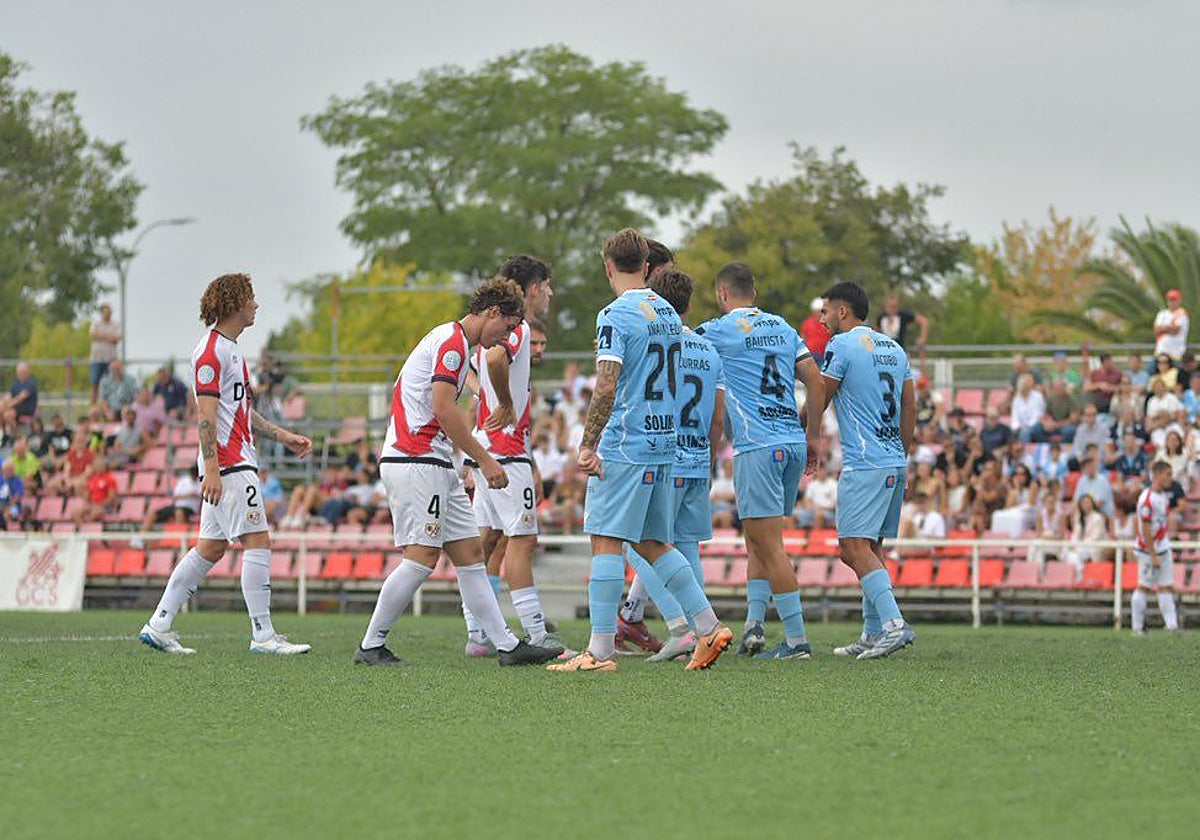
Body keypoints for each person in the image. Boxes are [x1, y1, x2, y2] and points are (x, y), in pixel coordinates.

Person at [548, 229, 734, 673]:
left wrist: (589, 443)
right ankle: (707, 628)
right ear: (647, 264)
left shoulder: (614, 314)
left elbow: (607, 383)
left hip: (627, 441)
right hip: (665, 441)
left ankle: (599, 651)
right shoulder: (668, 312)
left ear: (608, 266)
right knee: (654, 542)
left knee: (606, 540)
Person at [355, 276, 561, 667]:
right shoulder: (451, 344)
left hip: (432, 461)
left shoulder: (454, 343)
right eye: (509, 328)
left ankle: (506, 646)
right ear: (493, 313)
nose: (506, 338)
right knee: (421, 559)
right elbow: (444, 408)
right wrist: (484, 459)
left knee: (469, 555)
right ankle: (371, 644)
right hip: (415, 460)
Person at [138, 273, 314, 656]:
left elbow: (241, 413)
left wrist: (284, 436)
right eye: (251, 298)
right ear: (235, 304)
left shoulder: (232, 351)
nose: (257, 305)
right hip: (231, 464)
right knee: (258, 541)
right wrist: (214, 469)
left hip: (235, 461)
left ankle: (159, 624)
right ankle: (263, 635)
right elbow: (206, 414)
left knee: (210, 549)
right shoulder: (211, 351)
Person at [692, 260, 823, 661]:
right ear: (756, 292)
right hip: (791, 441)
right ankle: (753, 627)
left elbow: (680, 348)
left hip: (757, 444)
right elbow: (815, 381)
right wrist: (813, 435)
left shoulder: (718, 330)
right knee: (758, 539)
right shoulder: (783, 327)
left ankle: (797, 640)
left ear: (722, 294)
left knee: (769, 545)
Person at [617, 268, 726, 663]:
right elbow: (717, 417)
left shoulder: (655, 338)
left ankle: (681, 626)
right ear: (689, 305)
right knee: (686, 547)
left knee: (641, 543)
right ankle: (704, 630)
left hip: (662, 453)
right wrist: (710, 460)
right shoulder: (709, 350)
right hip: (699, 457)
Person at [459, 255, 565, 655]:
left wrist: (484, 397)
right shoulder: (517, 327)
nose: (550, 294)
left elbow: (475, 362)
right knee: (522, 541)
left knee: (487, 543)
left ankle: (477, 636)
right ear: (534, 287)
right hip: (505, 451)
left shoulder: (498, 330)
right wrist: (503, 401)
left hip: (486, 448)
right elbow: (493, 359)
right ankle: (537, 636)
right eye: (548, 285)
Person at [818, 280, 916, 659]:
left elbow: (822, 394)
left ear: (843, 311)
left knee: (852, 547)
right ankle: (873, 632)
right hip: (893, 458)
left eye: (826, 310)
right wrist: (901, 452)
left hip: (864, 460)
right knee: (871, 547)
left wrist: (803, 428)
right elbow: (910, 406)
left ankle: (894, 624)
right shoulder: (894, 347)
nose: (823, 317)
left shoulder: (841, 345)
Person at [1132, 461, 1180, 635]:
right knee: (1143, 586)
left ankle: (1172, 626)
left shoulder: (1163, 497)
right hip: (1148, 550)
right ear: (1157, 475)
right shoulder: (1147, 499)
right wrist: (1152, 554)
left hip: (1163, 547)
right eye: (1167, 474)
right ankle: (1137, 628)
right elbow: (1145, 528)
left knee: (1166, 586)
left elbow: (1162, 524)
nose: (1170, 478)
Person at [135, 466, 202, 543]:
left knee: (179, 512)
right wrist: (189, 495)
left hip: (190, 508)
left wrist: (189, 496)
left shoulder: (200, 482)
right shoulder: (183, 481)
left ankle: (178, 540)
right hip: (176, 505)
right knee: (152, 514)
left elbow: (200, 496)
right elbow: (175, 496)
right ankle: (140, 538)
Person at [89, 303, 122, 405]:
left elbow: (118, 338)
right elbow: (93, 334)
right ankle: (93, 406)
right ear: (101, 313)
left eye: (110, 312)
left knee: (111, 384)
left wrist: (102, 336)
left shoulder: (116, 324)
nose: (108, 314)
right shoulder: (96, 324)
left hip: (111, 360)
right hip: (97, 359)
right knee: (95, 383)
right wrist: (109, 336)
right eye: (106, 312)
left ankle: (110, 406)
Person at [74, 456, 119, 524]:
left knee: (95, 513)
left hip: (105, 506)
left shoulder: (110, 479)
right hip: (93, 505)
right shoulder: (91, 479)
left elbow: (111, 497)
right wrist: (88, 504)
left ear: (104, 466)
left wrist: (99, 504)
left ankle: (87, 528)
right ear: (94, 467)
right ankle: (82, 529)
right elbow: (87, 496)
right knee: (75, 513)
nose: (99, 467)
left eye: (101, 465)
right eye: (97, 465)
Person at [1153, 289, 1189, 363]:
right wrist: (1169, 327)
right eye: (1170, 299)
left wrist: (1163, 328)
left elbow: (1175, 330)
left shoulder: (1182, 313)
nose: (1172, 302)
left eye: (1174, 299)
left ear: (1179, 300)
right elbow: (1156, 330)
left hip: (1176, 354)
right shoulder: (1162, 314)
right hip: (1161, 353)